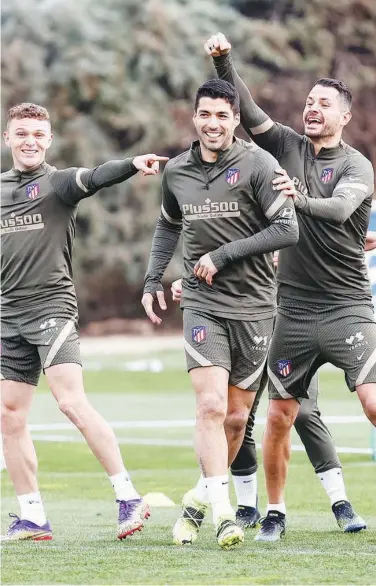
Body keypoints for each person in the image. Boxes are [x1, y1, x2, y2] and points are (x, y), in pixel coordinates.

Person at [204, 33, 376, 542]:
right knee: (279, 414)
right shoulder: (286, 146)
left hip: (346, 308)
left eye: (324, 104)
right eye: (309, 102)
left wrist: (295, 197)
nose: (312, 109)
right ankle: (274, 513)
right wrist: (223, 61)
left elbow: (342, 209)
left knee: (371, 401)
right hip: (293, 312)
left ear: (344, 115)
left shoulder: (355, 165)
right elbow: (248, 107)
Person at [141, 78, 299, 549]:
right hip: (202, 303)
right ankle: (224, 515)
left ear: (234, 120)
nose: (213, 124)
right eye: (205, 114)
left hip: (254, 307)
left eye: (222, 116)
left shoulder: (258, 163)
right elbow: (167, 227)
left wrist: (224, 255)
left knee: (235, 420)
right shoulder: (177, 171)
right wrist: (153, 279)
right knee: (209, 406)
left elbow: (287, 228)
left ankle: (197, 499)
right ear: (195, 117)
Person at [0, 102, 169, 541]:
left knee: (71, 403)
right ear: (8, 138)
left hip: (51, 310)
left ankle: (127, 496)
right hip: (7, 317)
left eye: (38, 134)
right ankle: (33, 515)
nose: (30, 141)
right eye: (21, 133)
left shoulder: (57, 185)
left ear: (49, 139)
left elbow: (94, 176)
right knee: (9, 415)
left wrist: (132, 164)